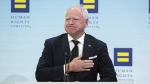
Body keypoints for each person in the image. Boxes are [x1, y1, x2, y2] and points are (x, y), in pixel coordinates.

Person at [35, 5, 117, 82]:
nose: (70, 22)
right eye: (67, 19)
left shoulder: (98, 46)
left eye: (75, 19)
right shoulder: (52, 44)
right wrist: (69, 67)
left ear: (86, 22)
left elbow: (110, 78)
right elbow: (40, 74)